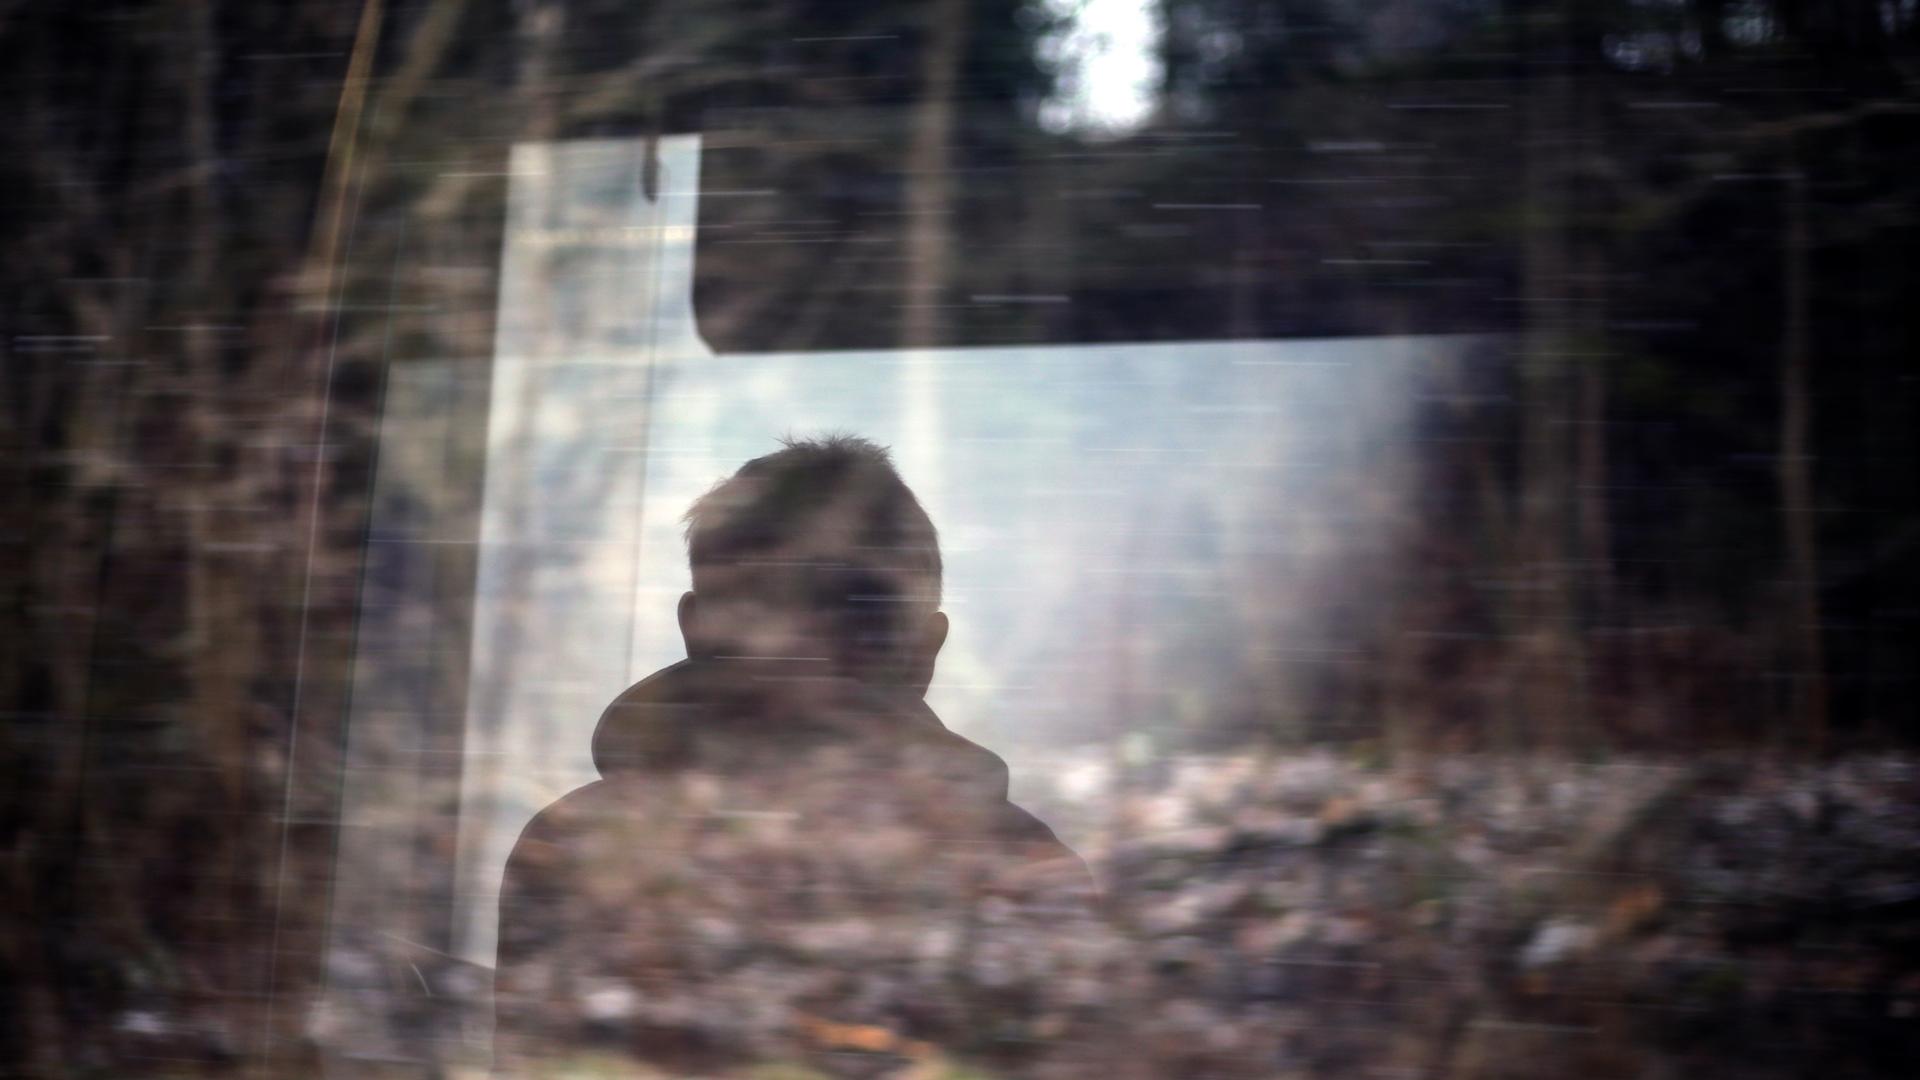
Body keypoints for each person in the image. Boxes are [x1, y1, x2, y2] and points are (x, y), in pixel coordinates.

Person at [493, 435, 1102, 1077]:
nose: (809, 655)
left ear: (695, 626)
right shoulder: (1024, 873)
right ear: (927, 647)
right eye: (775, 608)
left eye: (851, 614)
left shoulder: (578, 850)